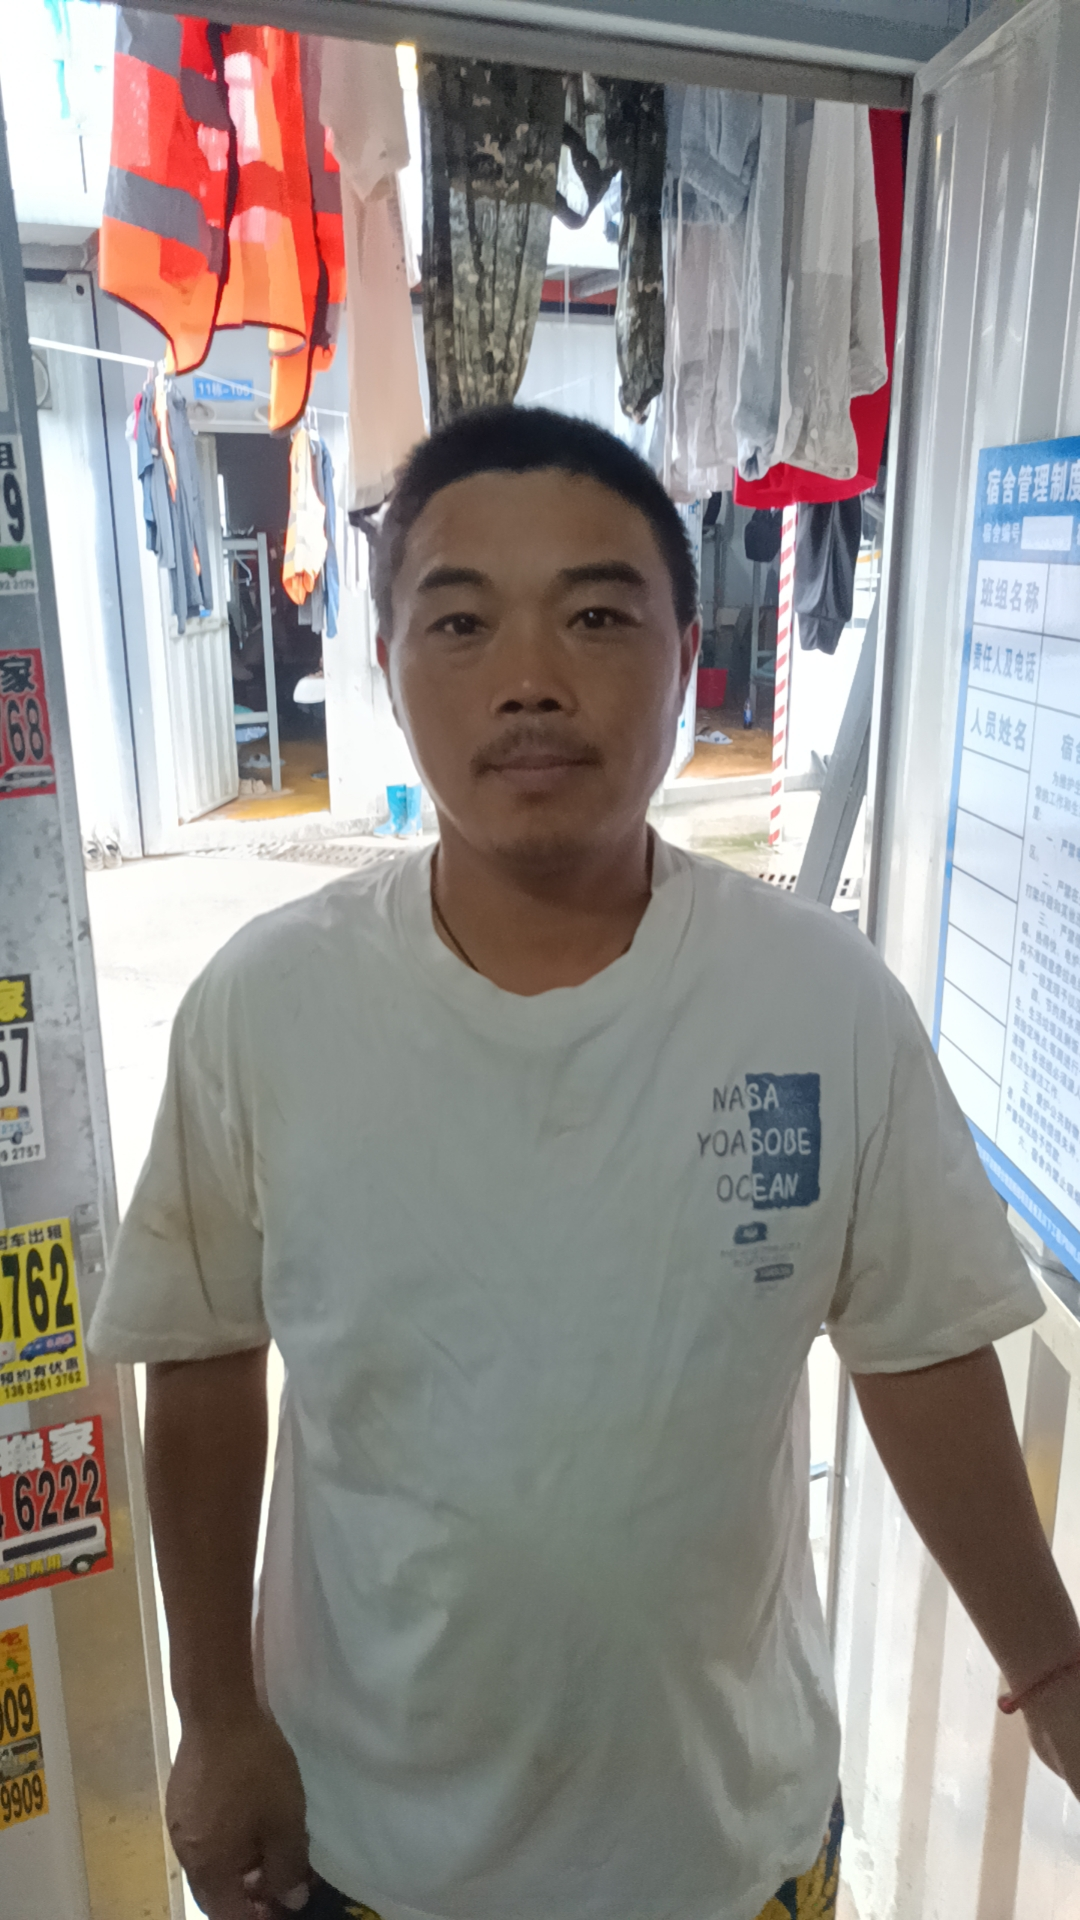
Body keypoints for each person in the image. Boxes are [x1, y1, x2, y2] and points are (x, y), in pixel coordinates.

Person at [90, 407, 1080, 1920]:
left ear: (687, 657)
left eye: (599, 616)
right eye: (462, 621)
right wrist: (217, 1719)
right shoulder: (266, 1008)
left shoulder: (819, 1002)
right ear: (386, 663)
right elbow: (207, 1364)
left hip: (727, 1846)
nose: (532, 679)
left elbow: (919, 1356)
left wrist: (1052, 1665)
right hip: (370, 1845)